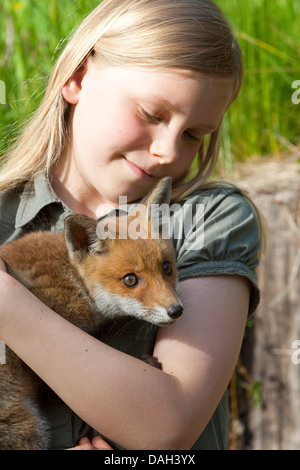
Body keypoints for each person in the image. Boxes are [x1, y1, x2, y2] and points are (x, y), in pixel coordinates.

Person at [0, 0, 261, 450]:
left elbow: (166, 426)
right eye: (151, 114)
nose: (167, 152)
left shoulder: (206, 219)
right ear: (77, 79)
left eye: (194, 135)